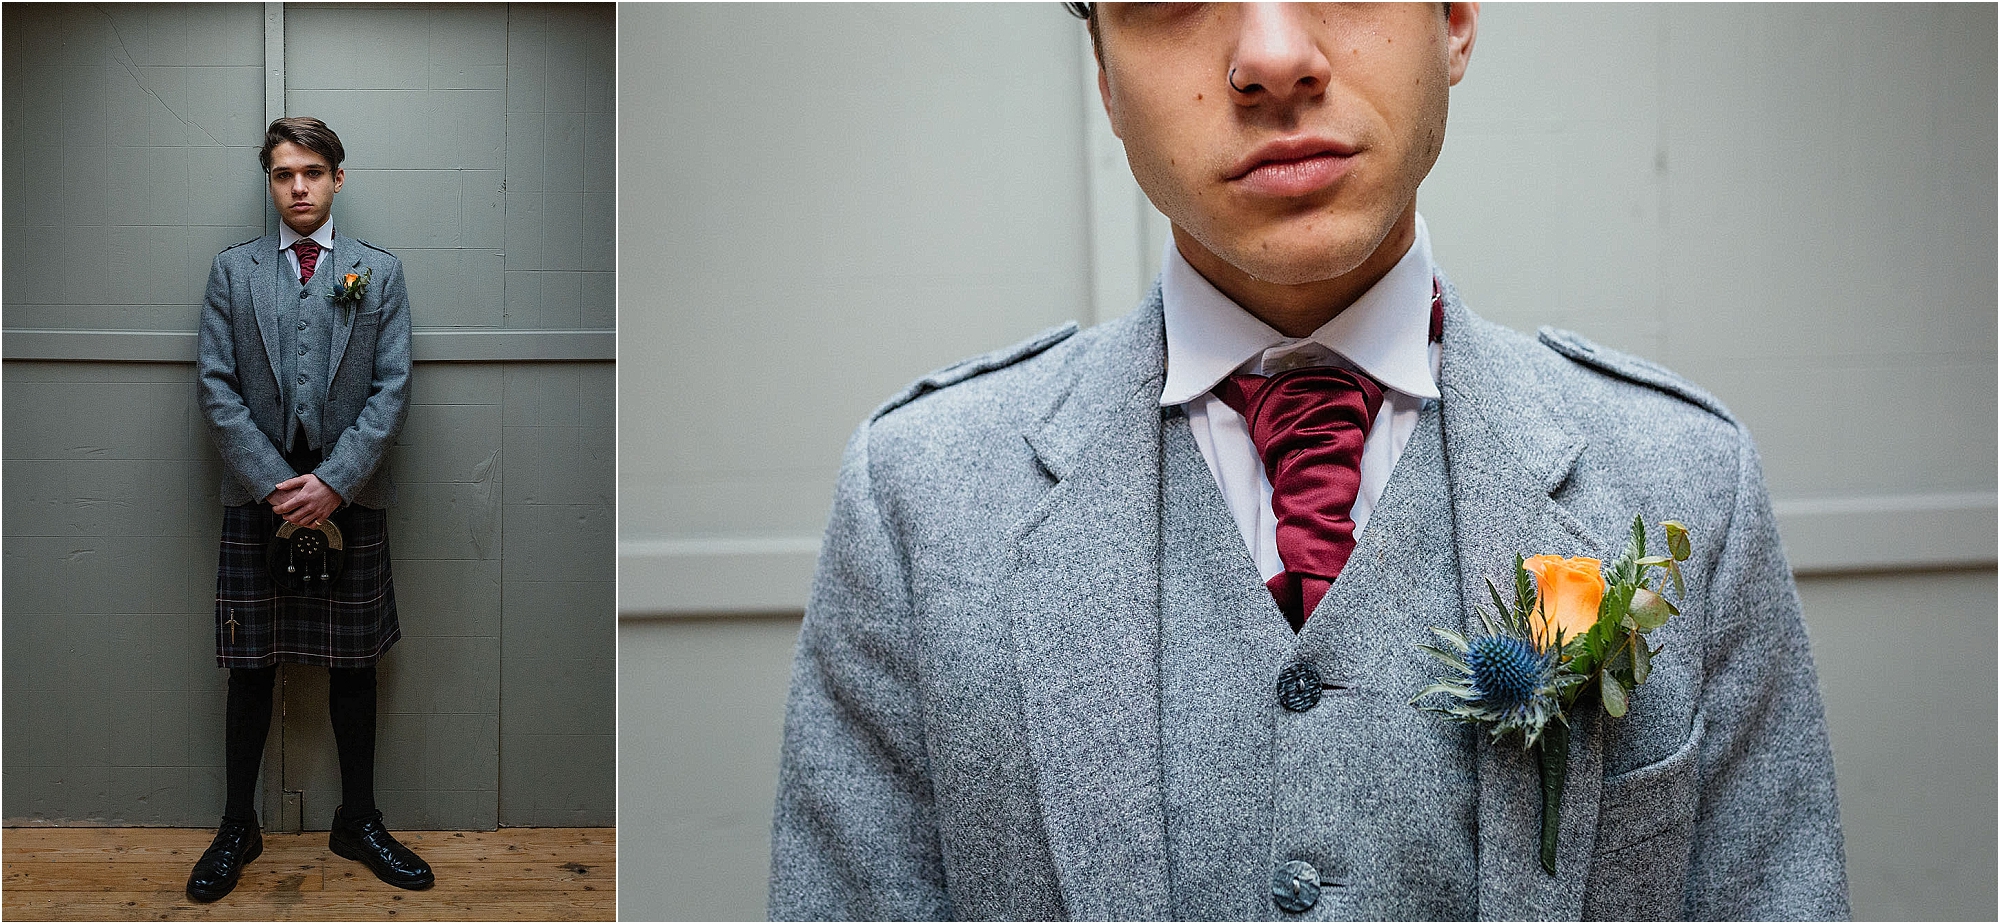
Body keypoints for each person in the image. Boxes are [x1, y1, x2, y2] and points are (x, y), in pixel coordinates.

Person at [769, 3, 1849, 920]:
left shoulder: (1685, 482)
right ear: (1102, 73)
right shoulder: (915, 500)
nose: (1274, 57)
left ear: (1454, 18)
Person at [189, 116, 431, 902]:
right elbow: (216, 387)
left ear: (337, 178)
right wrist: (274, 485)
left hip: (349, 496)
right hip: (257, 498)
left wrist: (334, 482)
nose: (299, 187)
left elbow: (392, 391)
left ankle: (357, 820)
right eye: (284, 173)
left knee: (354, 666)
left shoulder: (378, 274)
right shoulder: (233, 273)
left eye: (313, 172)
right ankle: (238, 825)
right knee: (249, 668)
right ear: (270, 181)